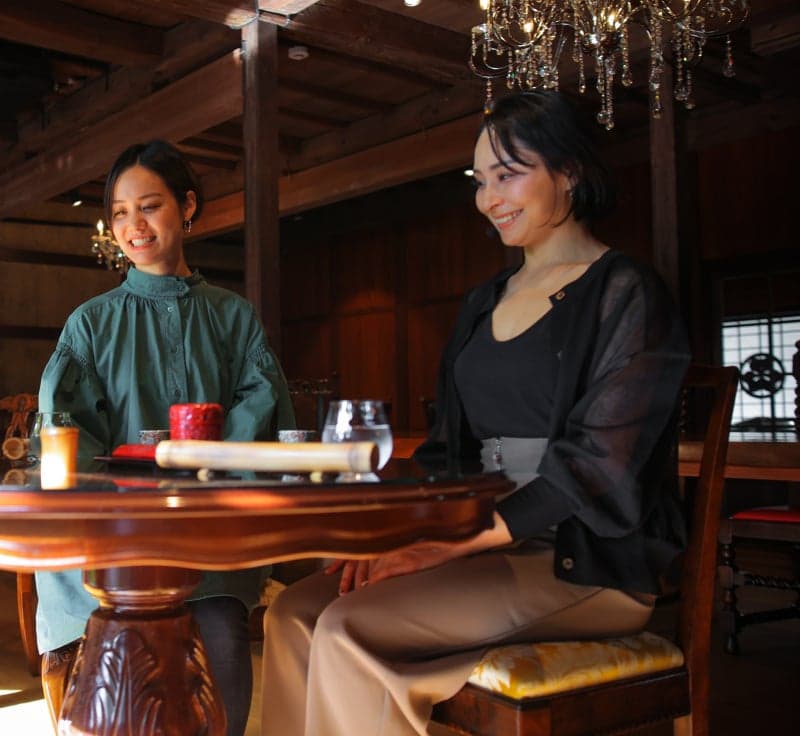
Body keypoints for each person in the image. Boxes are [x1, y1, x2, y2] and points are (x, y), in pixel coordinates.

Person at [260, 90, 691, 735]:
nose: (489, 199)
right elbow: (447, 452)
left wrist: (447, 545)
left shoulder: (625, 292)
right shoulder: (482, 301)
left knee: (349, 625)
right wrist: (402, 538)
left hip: (584, 563)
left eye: (508, 175)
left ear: (568, 172)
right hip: (481, 548)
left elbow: (598, 466)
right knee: (292, 612)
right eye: (480, 180)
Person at [35, 140, 296, 734]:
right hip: (112, 551)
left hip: (211, 544)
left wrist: (205, 467)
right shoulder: (91, 323)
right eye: (120, 213)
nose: (135, 226)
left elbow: (262, 414)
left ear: (188, 207)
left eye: (150, 206)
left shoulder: (233, 317)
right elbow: (66, 437)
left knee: (223, 669)